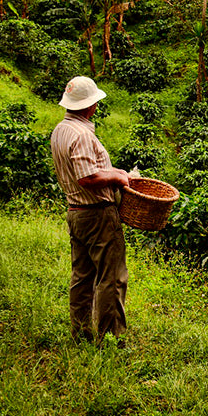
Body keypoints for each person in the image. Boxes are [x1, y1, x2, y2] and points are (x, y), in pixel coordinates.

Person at [50, 75, 131, 344]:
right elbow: (88, 179)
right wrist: (118, 178)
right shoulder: (82, 134)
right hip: (97, 214)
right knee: (112, 277)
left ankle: (80, 332)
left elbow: (84, 173)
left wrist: (113, 171)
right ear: (90, 105)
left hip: (76, 212)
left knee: (82, 276)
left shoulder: (61, 130)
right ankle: (109, 336)